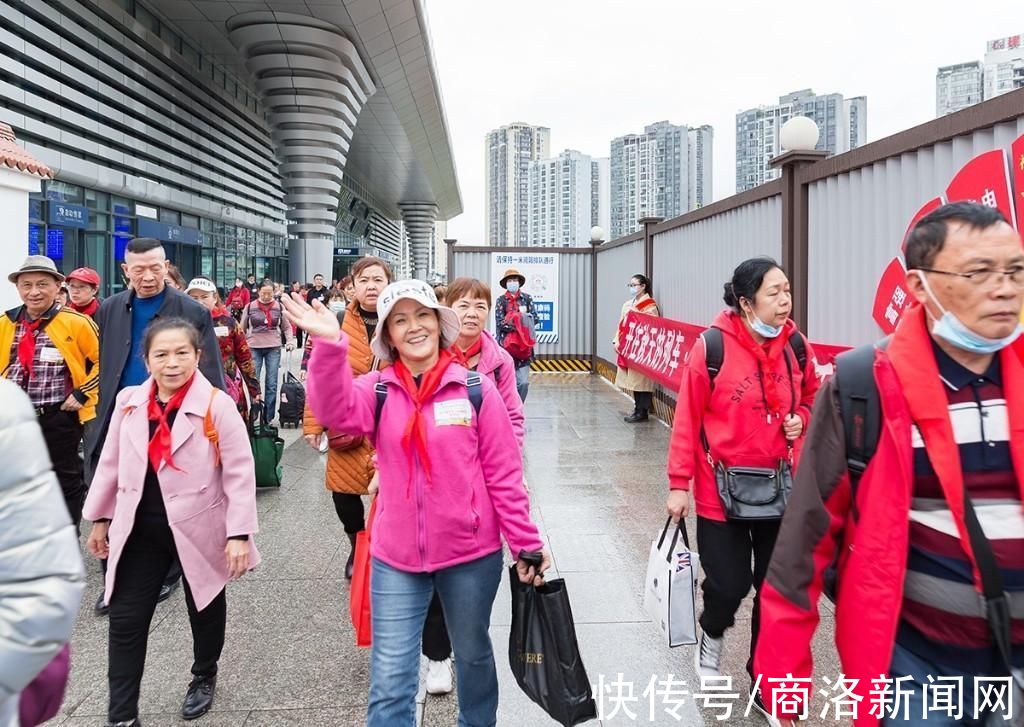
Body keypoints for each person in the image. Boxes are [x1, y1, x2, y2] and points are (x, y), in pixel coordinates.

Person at [756, 202, 1024, 727]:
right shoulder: (865, 387)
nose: (1004, 289)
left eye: (1014, 271)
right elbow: (806, 538)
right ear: (920, 287)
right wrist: (784, 681)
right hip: (915, 667)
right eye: (977, 273)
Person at [283, 279, 550, 727]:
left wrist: (526, 543)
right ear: (388, 336)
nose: (413, 327)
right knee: (389, 677)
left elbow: (504, 475)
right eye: (400, 320)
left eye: (422, 316)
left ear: (438, 324)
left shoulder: (476, 390)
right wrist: (329, 345)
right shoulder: (378, 390)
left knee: (473, 655)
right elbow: (335, 412)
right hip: (397, 557)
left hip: (471, 555)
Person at [84, 317, 260, 727]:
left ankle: (204, 673)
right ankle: (122, 714)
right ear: (146, 360)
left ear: (198, 356)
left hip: (200, 525)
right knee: (126, 619)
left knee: (205, 604)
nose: (172, 363)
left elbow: (239, 472)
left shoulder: (217, 404)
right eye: (161, 354)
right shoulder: (129, 402)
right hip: (139, 528)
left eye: (182, 353)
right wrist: (100, 518)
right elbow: (109, 464)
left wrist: (238, 534)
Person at [665, 257, 820, 715]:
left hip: (782, 489)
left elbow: (812, 396)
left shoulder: (796, 345)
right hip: (720, 492)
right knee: (728, 585)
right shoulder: (711, 347)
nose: (784, 300)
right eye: (774, 293)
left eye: (787, 290)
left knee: (773, 591)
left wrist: (802, 420)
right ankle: (711, 638)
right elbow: (687, 421)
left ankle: (767, 680)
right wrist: (679, 484)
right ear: (746, 302)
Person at [86, 237, 225, 617]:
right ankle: (113, 582)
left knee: (166, 497)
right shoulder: (111, 309)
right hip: (121, 417)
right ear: (125, 271)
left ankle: (170, 570)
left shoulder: (191, 310)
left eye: (155, 268)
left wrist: (217, 423)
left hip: (175, 417)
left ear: (167, 267)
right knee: (115, 493)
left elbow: (210, 369)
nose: (147, 277)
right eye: (138, 269)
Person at [417, 276, 527, 695]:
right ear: (447, 310)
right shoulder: (429, 355)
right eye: (463, 305)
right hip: (434, 483)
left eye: (479, 306)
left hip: (482, 486)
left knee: (471, 583)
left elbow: (514, 420)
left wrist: (503, 463)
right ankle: (438, 656)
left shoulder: (498, 362)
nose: (471, 313)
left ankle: (467, 647)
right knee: (431, 577)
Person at [0, 379, 85, 727]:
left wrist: (80, 395)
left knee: (67, 482)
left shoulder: (4, 411)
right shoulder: (10, 327)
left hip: (57, 416)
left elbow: (44, 588)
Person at [300, 256, 390, 580]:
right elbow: (317, 373)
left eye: (378, 280)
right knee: (344, 493)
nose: (371, 286)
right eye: (364, 280)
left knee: (391, 491)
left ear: (388, 284)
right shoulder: (336, 320)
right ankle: (356, 543)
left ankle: (387, 550)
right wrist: (312, 423)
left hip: (389, 421)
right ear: (352, 285)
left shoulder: (399, 318)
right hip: (346, 419)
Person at [1, 255, 100, 527]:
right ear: (18, 288)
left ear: (58, 287)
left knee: (64, 477)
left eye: (42, 284)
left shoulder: (76, 323)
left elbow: (106, 360)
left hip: (58, 415)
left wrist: (81, 393)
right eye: (27, 285)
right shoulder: (6, 322)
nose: (34, 292)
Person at [186, 277, 261, 419]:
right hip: (192, 389)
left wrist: (254, 390)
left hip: (228, 386)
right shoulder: (181, 324)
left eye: (204, 297)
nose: (199, 302)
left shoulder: (229, 323)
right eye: (194, 298)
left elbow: (244, 357)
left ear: (214, 298)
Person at [240, 281, 295, 422]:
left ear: (274, 292)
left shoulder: (279, 307)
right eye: (263, 293)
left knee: (271, 383)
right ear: (258, 291)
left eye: (269, 293)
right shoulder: (250, 307)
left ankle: (268, 416)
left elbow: (287, 327)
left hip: (273, 347)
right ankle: (254, 412)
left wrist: (289, 341)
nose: (266, 296)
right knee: (254, 382)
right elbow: (242, 328)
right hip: (254, 346)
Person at [614, 273, 660, 422]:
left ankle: (643, 410)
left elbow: (652, 326)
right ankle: (637, 408)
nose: (632, 288)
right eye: (630, 285)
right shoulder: (628, 304)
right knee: (633, 380)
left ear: (643, 287)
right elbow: (620, 325)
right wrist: (617, 341)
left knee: (642, 381)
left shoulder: (649, 306)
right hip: (629, 347)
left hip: (642, 348)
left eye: (634, 285)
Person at [494, 267, 535, 401]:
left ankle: (518, 407)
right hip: (506, 348)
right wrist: (517, 324)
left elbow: (534, 318)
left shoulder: (527, 299)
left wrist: (519, 321)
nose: (512, 282)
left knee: (523, 383)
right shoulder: (501, 301)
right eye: (510, 280)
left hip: (524, 348)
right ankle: (507, 409)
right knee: (505, 383)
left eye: (515, 280)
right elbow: (500, 322)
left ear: (519, 282)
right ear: (506, 283)